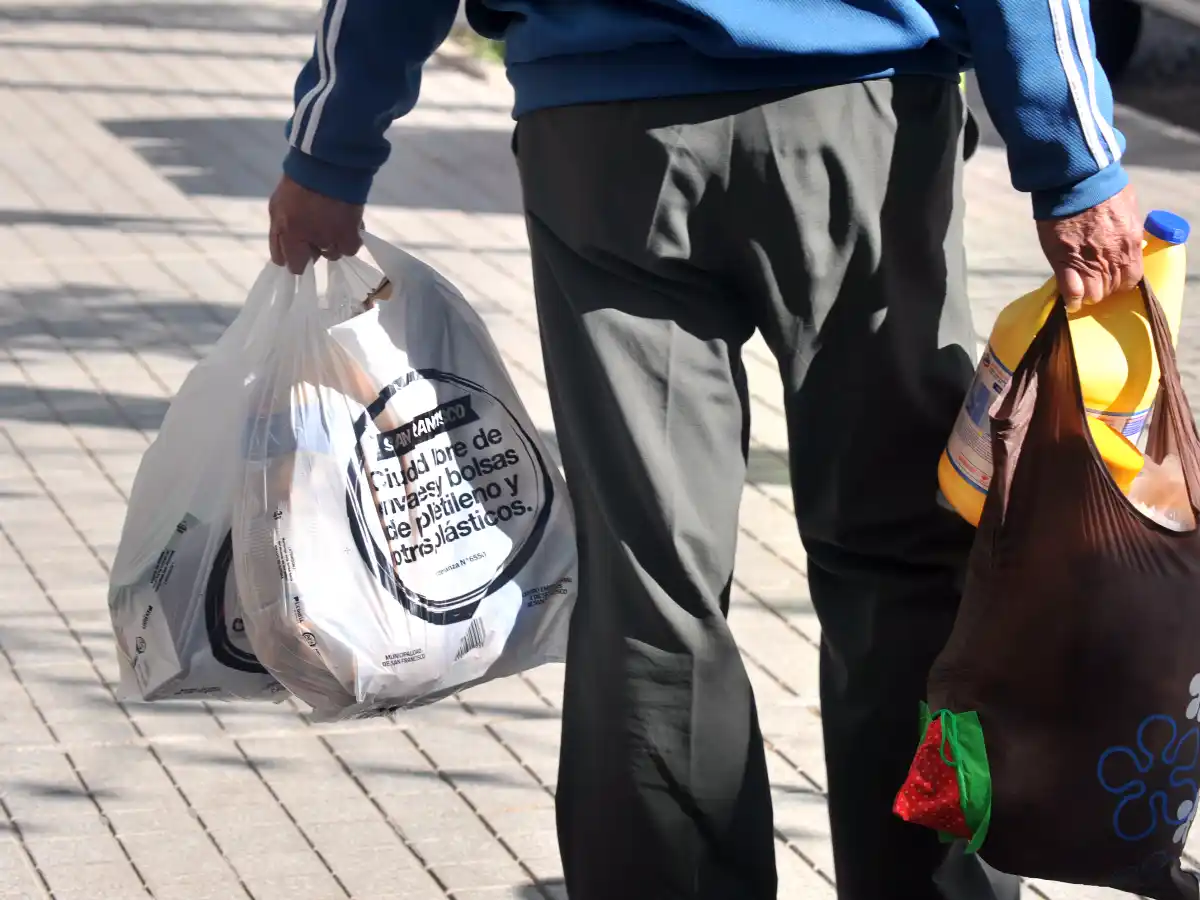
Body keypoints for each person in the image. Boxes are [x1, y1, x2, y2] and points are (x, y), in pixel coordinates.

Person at [268, 1, 1143, 897]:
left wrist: (331, 146)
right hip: (857, 111)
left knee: (650, 584)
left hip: (606, 125)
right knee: (905, 564)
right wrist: (1073, 157)